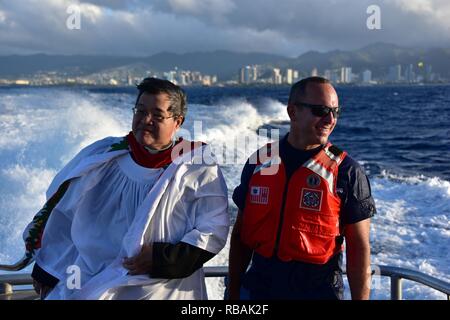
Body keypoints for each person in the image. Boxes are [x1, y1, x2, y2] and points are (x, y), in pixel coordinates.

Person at [0, 78, 230, 300]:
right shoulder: (102, 155)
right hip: (92, 280)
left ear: (177, 122)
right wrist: (48, 269)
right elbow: (64, 213)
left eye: (157, 115)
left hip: (161, 287)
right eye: (140, 111)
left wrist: (161, 259)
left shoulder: (197, 166)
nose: (146, 119)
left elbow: (214, 227)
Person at [228, 76, 376, 300]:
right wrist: (233, 290)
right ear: (293, 112)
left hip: (318, 292)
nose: (330, 119)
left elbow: (359, 248)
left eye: (335, 112)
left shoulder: (347, 172)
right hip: (258, 290)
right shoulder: (260, 162)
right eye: (320, 110)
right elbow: (240, 234)